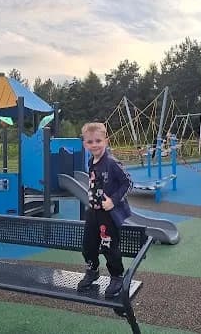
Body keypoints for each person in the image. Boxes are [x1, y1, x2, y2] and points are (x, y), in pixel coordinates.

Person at [76, 122, 133, 297]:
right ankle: (92, 271)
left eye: (98, 141)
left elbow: (128, 183)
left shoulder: (112, 163)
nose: (95, 145)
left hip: (108, 214)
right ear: (85, 144)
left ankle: (116, 276)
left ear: (106, 141)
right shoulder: (91, 161)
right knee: (88, 246)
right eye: (90, 142)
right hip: (93, 212)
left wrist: (113, 201)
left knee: (109, 246)